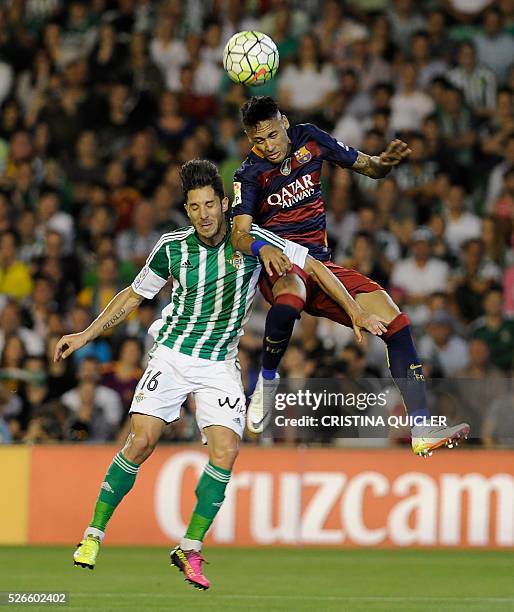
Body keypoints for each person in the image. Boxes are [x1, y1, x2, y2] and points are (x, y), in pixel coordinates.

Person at [54, 159, 384, 589]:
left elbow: (317, 267)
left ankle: (189, 547)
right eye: (195, 207)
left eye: (210, 204)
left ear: (225, 204)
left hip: (219, 363)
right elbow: (132, 296)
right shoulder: (173, 247)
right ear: (187, 211)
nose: (204, 214)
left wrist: (354, 309)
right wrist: (85, 333)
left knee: (227, 452)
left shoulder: (251, 240)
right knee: (142, 441)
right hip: (172, 354)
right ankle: (93, 534)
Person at [231, 95, 469, 457]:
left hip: (323, 268)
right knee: (291, 295)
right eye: (258, 140)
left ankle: (421, 428)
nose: (268, 146)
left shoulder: (310, 138)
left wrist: (384, 164)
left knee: (396, 322)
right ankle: (267, 380)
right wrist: (262, 249)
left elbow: (369, 166)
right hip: (279, 264)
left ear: (284, 121)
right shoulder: (249, 174)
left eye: (272, 135)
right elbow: (239, 233)